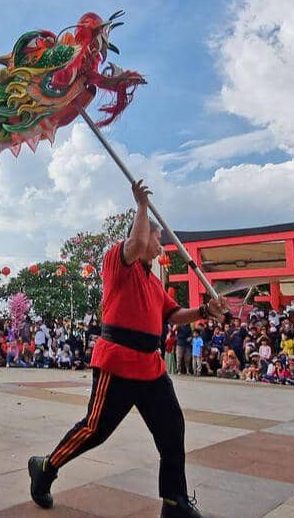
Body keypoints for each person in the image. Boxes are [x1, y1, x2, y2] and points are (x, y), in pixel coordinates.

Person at [28, 179, 220, 518]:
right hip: (117, 362)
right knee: (94, 430)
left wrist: (204, 311)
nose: (161, 248)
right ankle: (46, 467)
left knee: (172, 429)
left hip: (151, 367)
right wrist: (142, 206)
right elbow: (136, 243)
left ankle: (174, 502)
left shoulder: (152, 281)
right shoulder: (117, 261)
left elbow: (173, 315)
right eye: (159, 240)